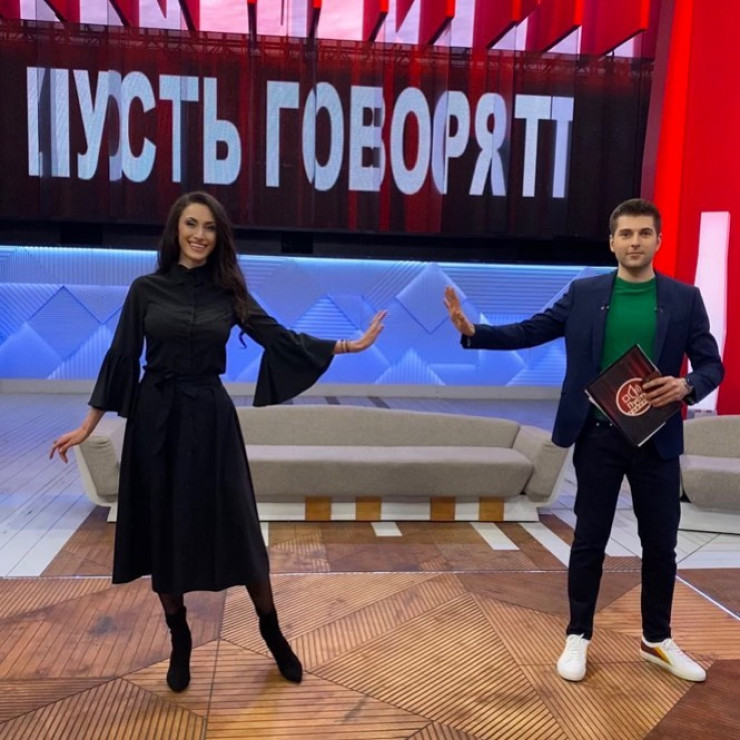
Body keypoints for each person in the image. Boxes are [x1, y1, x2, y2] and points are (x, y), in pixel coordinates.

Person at [50, 191, 386, 692]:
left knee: (239, 526)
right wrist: (88, 426)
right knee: (163, 531)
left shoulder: (229, 292)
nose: (199, 235)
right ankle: (180, 637)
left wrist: (348, 345)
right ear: (176, 229)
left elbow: (279, 338)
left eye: (209, 227)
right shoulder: (145, 290)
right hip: (156, 421)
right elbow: (121, 357)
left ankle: (272, 632)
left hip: (210, 419)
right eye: (191, 224)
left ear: (219, 236)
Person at [444, 198, 723, 683]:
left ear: (658, 241)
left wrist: (687, 386)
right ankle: (578, 635)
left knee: (661, 545)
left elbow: (711, 364)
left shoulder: (684, 298)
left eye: (644, 233)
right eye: (625, 234)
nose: (634, 242)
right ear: (611, 242)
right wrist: (475, 333)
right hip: (597, 436)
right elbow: (531, 330)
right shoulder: (584, 292)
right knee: (589, 541)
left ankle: (657, 639)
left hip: (656, 439)